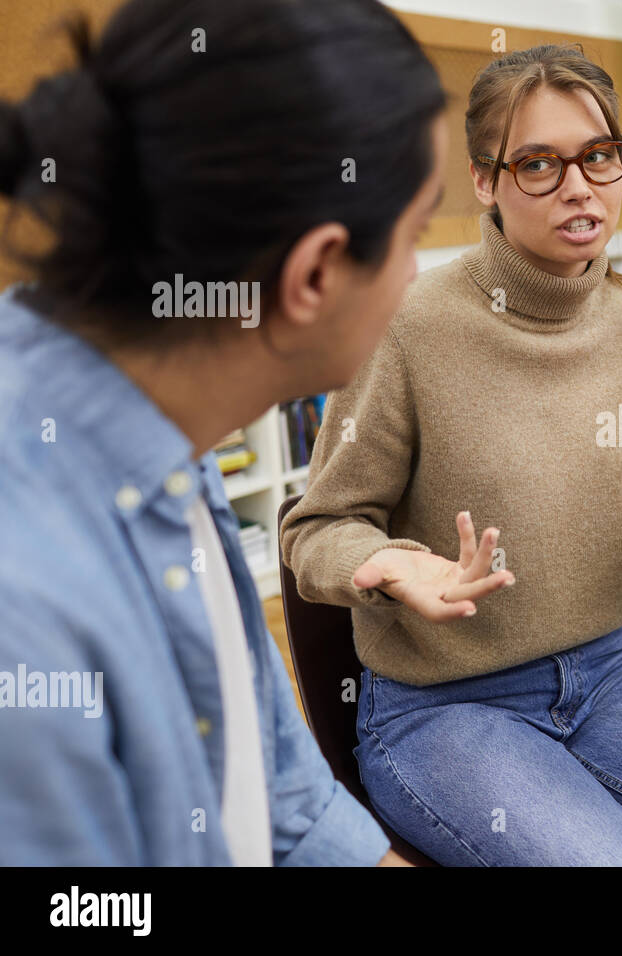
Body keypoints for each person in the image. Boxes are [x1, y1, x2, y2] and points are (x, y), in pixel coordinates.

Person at [280, 44, 622, 866]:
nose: (579, 187)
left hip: (612, 675)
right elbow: (315, 530)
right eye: (538, 163)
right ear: (484, 180)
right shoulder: (411, 325)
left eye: (600, 157)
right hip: (441, 710)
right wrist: (392, 565)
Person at [0, 0, 449, 865]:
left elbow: (283, 803)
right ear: (315, 272)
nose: (415, 274)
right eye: (413, 235)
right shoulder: (29, 608)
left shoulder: (164, 423)